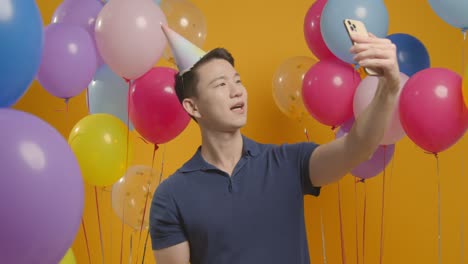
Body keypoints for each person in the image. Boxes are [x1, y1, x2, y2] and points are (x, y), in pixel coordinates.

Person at [149, 24, 400, 264]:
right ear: (193, 107)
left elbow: (358, 147)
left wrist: (388, 88)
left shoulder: (288, 163)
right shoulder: (171, 196)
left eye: (237, 81)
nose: (237, 91)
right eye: (221, 85)